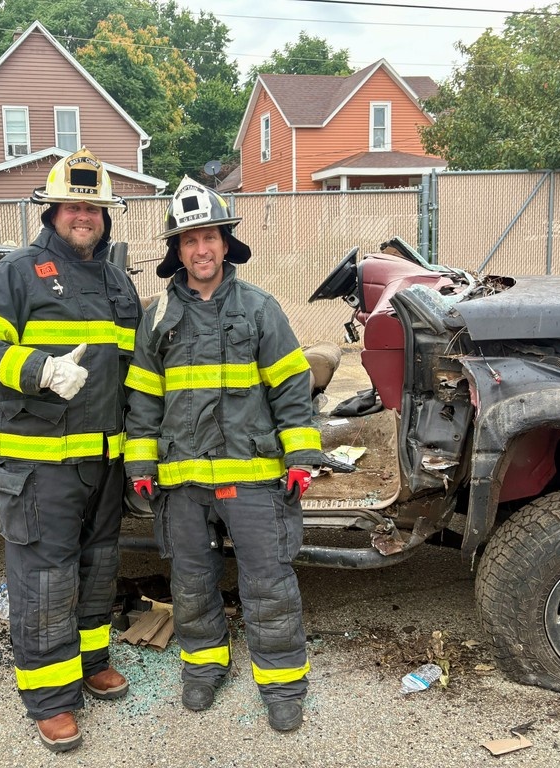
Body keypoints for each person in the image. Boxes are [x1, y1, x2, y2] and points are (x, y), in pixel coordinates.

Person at [124, 176, 337, 733]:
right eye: (190, 239)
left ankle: (283, 682)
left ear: (225, 243)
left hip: (254, 479)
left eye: (211, 237)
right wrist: (141, 466)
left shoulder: (260, 309)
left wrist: (300, 457)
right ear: (177, 250)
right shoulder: (158, 318)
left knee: (268, 583)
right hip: (183, 482)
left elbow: (292, 389)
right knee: (192, 582)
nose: (201, 249)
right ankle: (202, 668)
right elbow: (143, 398)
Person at [0, 148, 140, 752]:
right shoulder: (16, 273)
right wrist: (39, 370)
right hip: (41, 465)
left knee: (97, 572)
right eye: (73, 206)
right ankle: (50, 698)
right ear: (52, 211)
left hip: (104, 462)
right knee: (44, 581)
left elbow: (134, 367)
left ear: (106, 215)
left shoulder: (118, 281)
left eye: (94, 207)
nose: (83, 215)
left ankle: (90, 666)